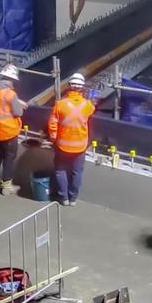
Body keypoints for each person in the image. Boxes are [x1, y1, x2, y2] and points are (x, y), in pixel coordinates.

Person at [47, 72, 94, 206]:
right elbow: (91, 110)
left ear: (69, 86)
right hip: (80, 146)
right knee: (77, 171)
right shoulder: (87, 105)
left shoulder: (60, 104)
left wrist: (53, 138)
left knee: (60, 170)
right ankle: (73, 199)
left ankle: (64, 198)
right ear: (81, 88)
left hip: (62, 145)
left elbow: (52, 123)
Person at [0, 64, 28, 195]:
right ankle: (6, 186)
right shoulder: (11, 94)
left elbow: (0, 101)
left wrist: (16, 101)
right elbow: (18, 112)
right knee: (9, 159)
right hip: (9, 132)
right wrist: (20, 104)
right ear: (11, 80)